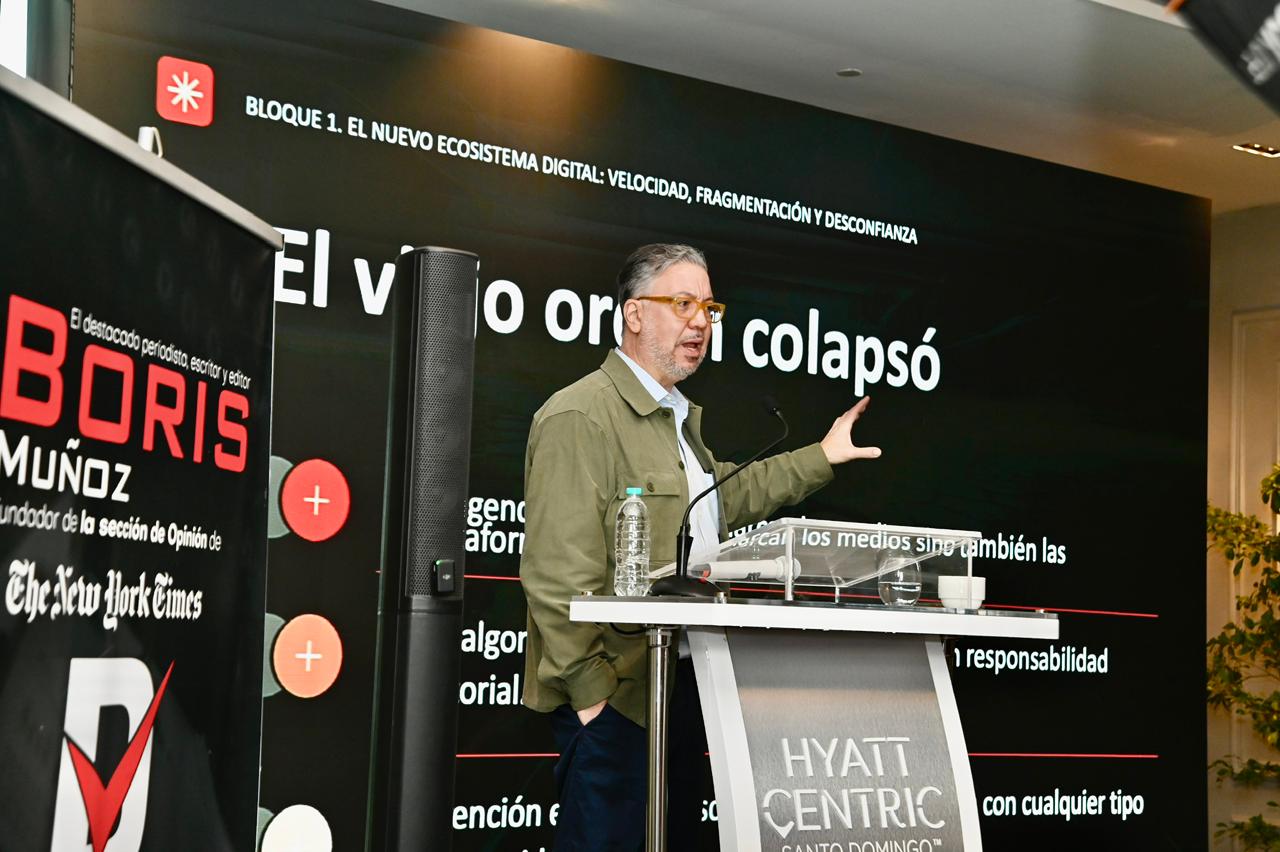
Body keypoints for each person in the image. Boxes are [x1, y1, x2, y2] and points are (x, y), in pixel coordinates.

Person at [519, 243, 881, 851]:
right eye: (682, 304)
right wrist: (593, 700)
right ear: (634, 313)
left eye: (709, 308)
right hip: (620, 706)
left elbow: (725, 498)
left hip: (681, 691)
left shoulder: (677, 421)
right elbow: (556, 576)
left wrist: (822, 456)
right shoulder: (581, 415)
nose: (701, 322)